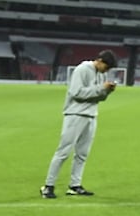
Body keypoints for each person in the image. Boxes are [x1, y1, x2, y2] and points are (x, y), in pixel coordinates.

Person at [39, 50, 118, 199]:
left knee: (82, 154)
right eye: (106, 67)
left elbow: (98, 98)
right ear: (99, 60)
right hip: (75, 114)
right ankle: (48, 186)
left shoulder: (102, 74)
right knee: (63, 152)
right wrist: (101, 88)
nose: (107, 71)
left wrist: (107, 91)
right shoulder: (82, 69)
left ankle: (75, 185)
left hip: (91, 115)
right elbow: (77, 93)